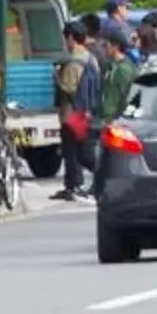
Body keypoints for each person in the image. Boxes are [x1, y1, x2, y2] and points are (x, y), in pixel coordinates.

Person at [51, 23, 100, 201]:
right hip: (86, 112)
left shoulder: (73, 61)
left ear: (71, 37)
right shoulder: (90, 58)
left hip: (72, 113)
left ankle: (74, 184)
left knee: (72, 150)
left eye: (66, 38)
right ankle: (76, 183)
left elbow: (69, 88)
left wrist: (57, 77)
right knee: (81, 149)